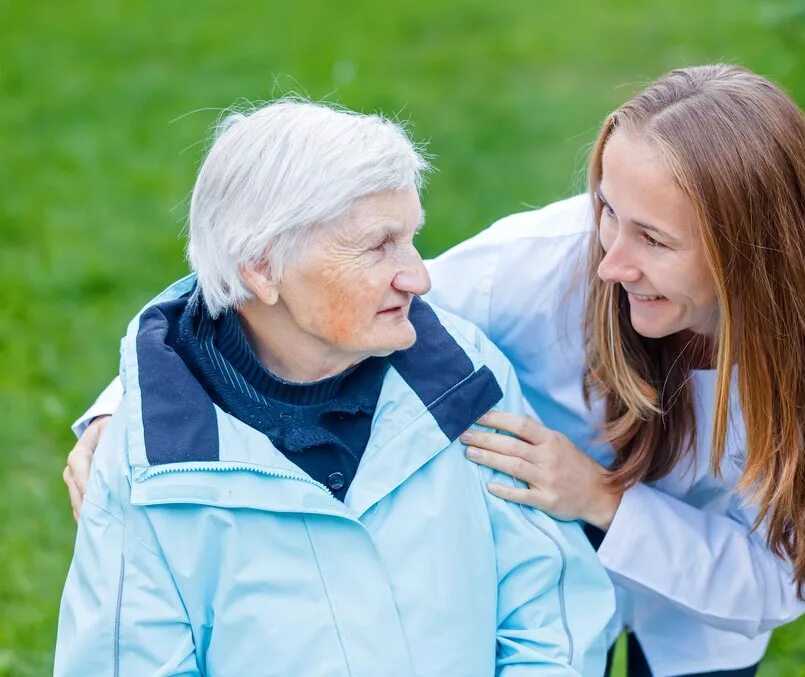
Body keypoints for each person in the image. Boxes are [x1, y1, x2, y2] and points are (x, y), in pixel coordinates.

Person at [65, 66, 805, 677]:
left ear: (755, 256)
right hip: (536, 566)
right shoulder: (541, 264)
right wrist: (122, 412)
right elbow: (303, 293)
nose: (610, 259)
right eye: (606, 210)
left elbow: (774, 579)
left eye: (652, 239)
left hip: (702, 614)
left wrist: (606, 500)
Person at [54, 100, 615, 676]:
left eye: (411, 237)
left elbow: (552, 615)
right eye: (379, 245)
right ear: (262, 268)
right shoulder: (144, 468)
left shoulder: (466, 376)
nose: (419, 276)